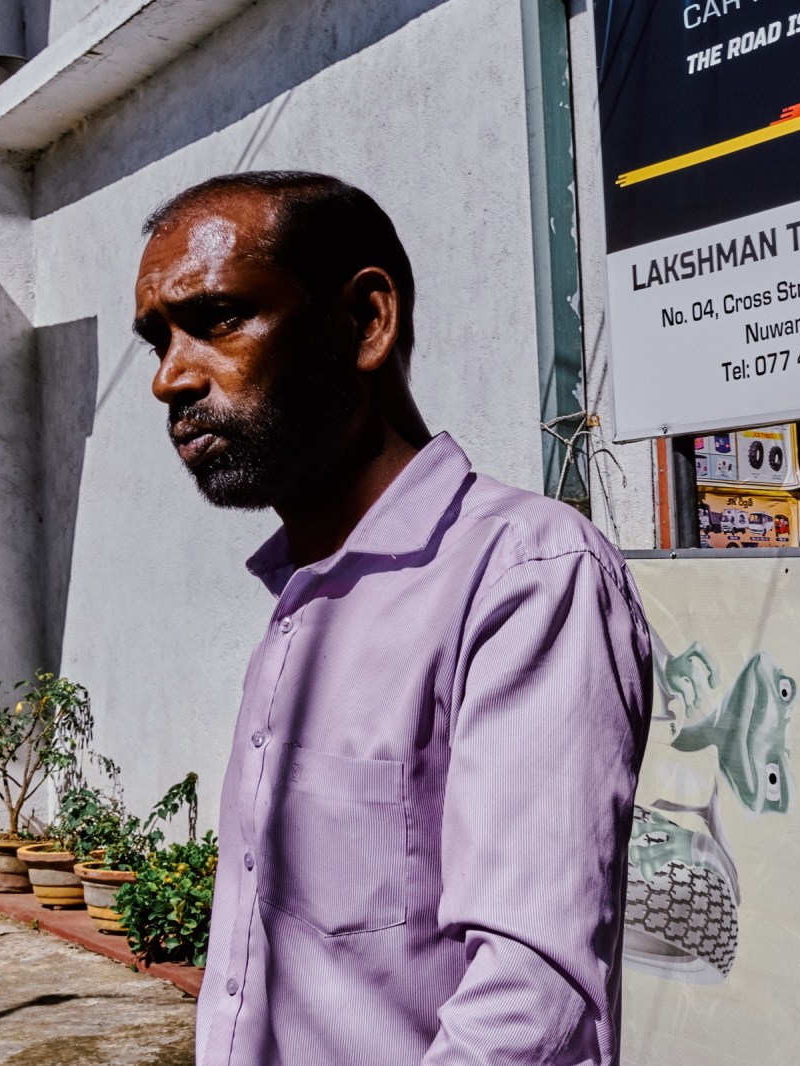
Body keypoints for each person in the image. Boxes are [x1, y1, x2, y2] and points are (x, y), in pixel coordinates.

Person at [134, 171, 652, 1065]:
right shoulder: (301, 601)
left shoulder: (523, 577)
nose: (169, 378)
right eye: (158, 339)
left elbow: (529, 1008)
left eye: (217, 318)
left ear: (365, 321)